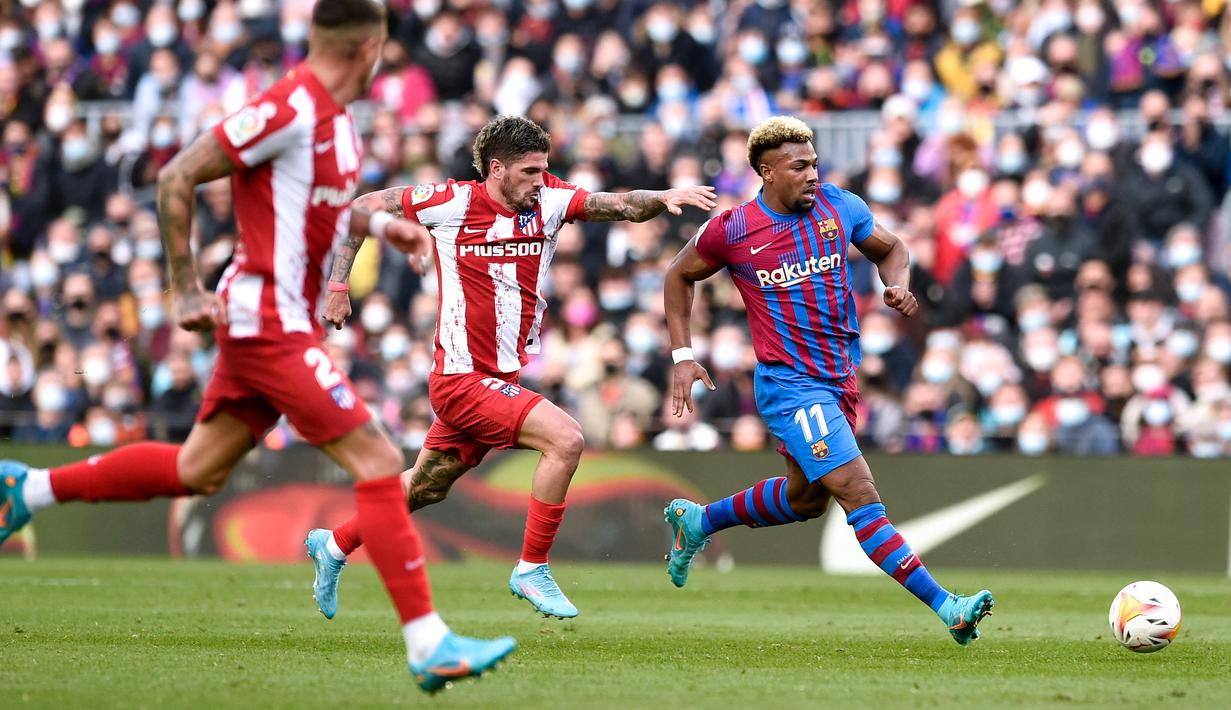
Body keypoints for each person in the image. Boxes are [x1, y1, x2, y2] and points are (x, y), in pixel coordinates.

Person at [0, 0, 514, 694]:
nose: (387, 63)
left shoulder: (336, 122)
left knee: (198, 469)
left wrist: (381, 225)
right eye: (384, 50)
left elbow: (326, 205)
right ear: (366, 47)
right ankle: (428, 642)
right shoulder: (288, 107)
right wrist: (183, 288)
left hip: (283, 318)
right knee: (377, 457)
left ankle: (27, 488)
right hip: (263, 316)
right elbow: (176, 175)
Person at [303, 115, 717, 621]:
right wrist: (339, 286)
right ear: (496, 169)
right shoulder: (451, 202)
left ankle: (335, 547)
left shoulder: (550, 202)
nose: (540, 181)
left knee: (425, 487)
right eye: (529, 172)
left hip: (501, 379)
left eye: (544, 170)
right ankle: (531, 567)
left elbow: (620, 204)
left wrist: (663, 196)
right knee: (566, 439)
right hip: (459, 379)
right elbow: (361, 208)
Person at [659, 116, 994, 646]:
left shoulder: (841, 206)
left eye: (815, 163)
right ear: (766, 172)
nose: (813, 174)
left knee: (806, 499)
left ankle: (699, 522)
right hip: (790, 385)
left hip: (839, 381)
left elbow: (892, 249)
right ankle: (948, 606)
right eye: (800, 166)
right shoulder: (734, 229)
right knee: (859, 494)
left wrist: (897, 285)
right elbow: (678, 275)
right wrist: (682, 353)